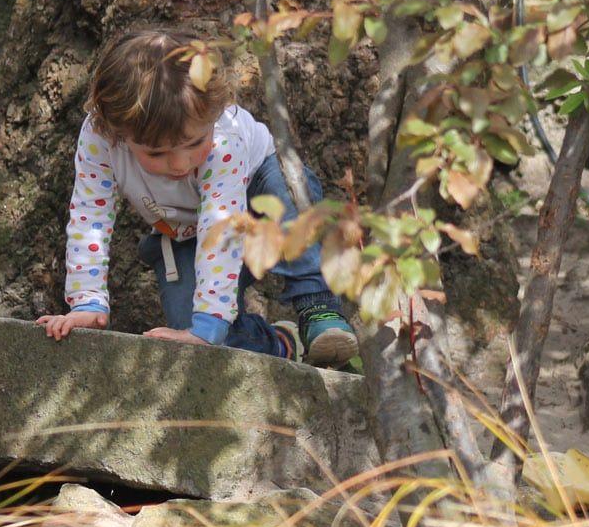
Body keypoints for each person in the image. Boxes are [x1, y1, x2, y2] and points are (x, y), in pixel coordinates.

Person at [36, 27, 357, 366]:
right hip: (187, 231)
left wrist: (210, 321)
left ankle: (318, 307)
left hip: (253, 193)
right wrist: (87, 302)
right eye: (157, 153)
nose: (180, 163)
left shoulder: (224, 139)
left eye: (193, 144)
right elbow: (90, 216)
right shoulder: (100, 138)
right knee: (193, 333)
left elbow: (222, 226)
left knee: (287, 193)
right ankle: (280, 345)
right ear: (117, 134)